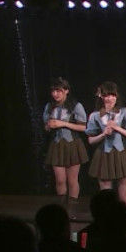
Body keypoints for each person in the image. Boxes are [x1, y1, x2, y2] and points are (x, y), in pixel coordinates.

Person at [86, 81, 126, 213]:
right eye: (106, 95)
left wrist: (117, 128)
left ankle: (125, 220)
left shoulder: (125, 112)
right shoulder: (95, 115)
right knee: (106, 195)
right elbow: (91, 140)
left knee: (124, 194)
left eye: (112, 95)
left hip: (122, 153)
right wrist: (103, 134)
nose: (110, 98)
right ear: (101, 97)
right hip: (104, 153)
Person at [42, 77, 88, 215]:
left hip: (72, 144)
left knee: (72, 180)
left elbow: (83, 127)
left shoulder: (75, 106)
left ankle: (71, 210)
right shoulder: (49, 106)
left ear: (66, 91)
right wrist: (49, 126)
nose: (55, 94)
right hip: (57, 144)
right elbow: (46, 126)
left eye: (59, 91)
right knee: (60, 180)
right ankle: (61, 210)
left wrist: (63, 123)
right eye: (53, 91)